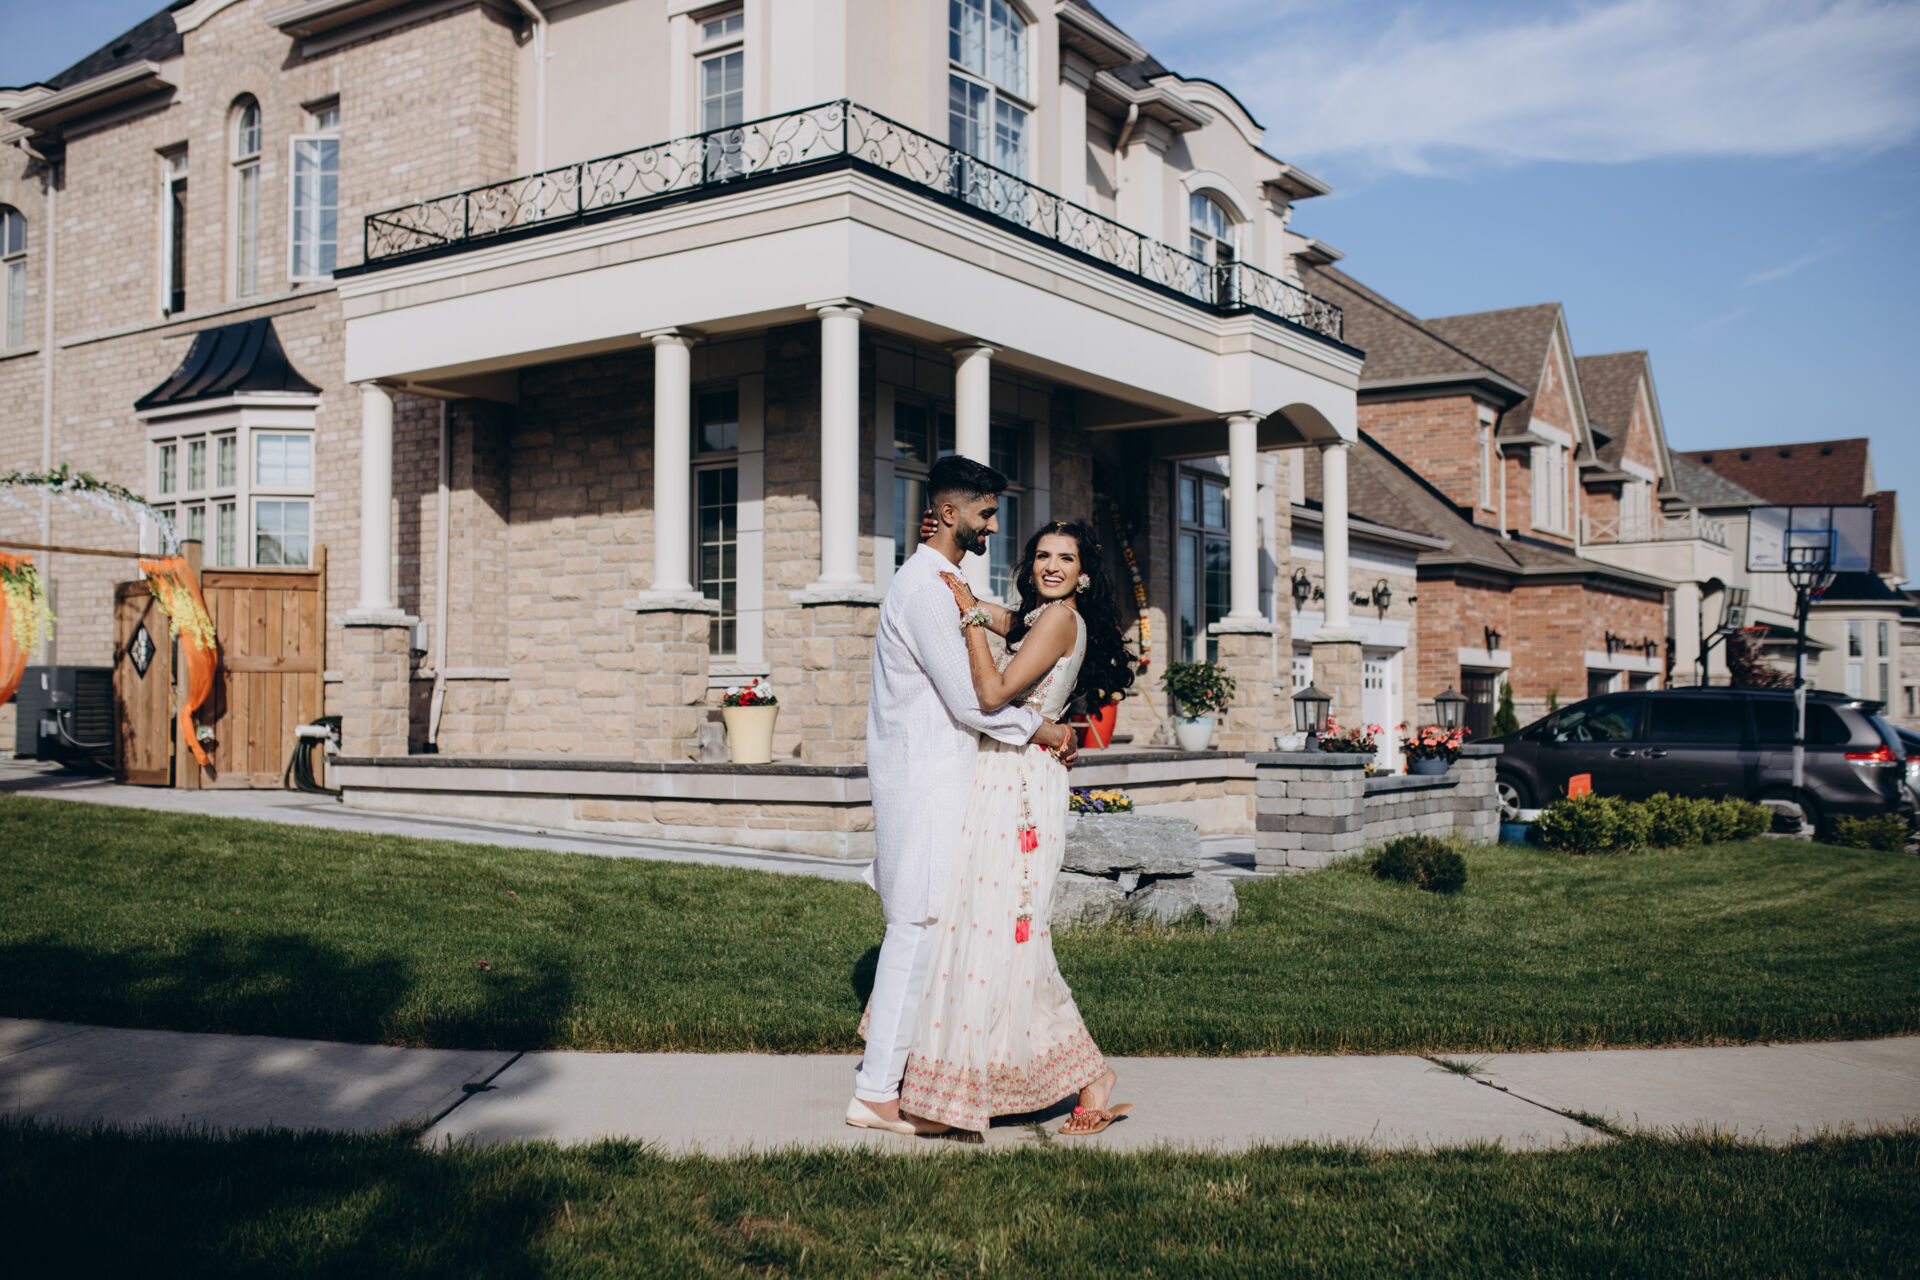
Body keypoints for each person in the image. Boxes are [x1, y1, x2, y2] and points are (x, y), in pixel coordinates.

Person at [847, 456, 1080, 1136]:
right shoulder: (924, 588)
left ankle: (893, 1083)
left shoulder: (941, 580)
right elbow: (972, 700)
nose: (994, 525)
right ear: (949, 514)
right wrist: (1044, 729)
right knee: (914, 931)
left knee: (923, 931)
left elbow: (1002, 632)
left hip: (946, 780)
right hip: (924, 782)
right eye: (985, 512)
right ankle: (875, 1093)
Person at [898, 518, 1138, 1137]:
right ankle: (994, 1077)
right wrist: (949, 569)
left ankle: (1079, 1075)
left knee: (1004, 928)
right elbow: (1002, 617)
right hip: (1005, 771)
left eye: (1066, 558)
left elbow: (993, 693)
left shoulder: (1058, 619)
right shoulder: (1041, 617)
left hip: (1022, 784)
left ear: (1084, 575)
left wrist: (969, 620)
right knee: (986, 926)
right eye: (1043, 556)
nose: (1052, 566)